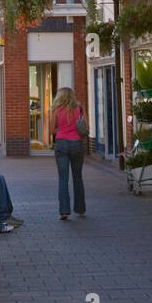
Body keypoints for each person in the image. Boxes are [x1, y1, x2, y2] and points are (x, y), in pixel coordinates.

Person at [51, 87, 87, 220]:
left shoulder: (56, 110)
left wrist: (62, 129)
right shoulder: (80, 108)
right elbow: (85, 126)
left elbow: (51, 130)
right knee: (78, 177)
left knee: (63, 179)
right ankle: (80, 209)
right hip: (77, 144)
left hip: (61, 144)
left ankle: (64, 211)